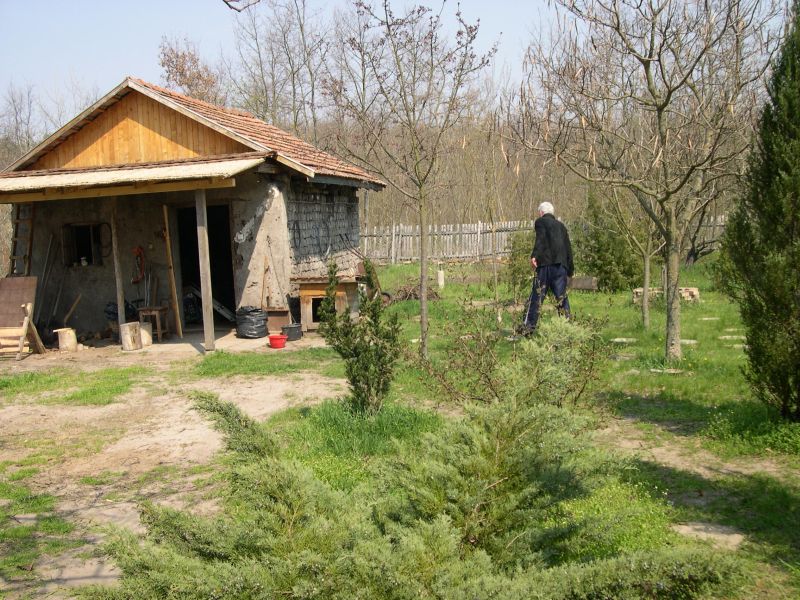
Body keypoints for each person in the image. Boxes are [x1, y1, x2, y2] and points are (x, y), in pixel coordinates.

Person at [521, 201, 574, 334]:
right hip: (560, 267)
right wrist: (570, 269)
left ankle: (528, 328)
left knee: (537, 297)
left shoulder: (540, 222)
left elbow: (540, 239)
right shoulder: (562, 227)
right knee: (561, 298)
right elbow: (568, 248)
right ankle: (568, 329)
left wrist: (534, 256)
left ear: (541, 212)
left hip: (545, 265)